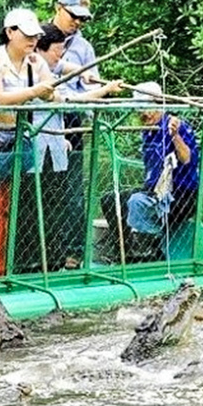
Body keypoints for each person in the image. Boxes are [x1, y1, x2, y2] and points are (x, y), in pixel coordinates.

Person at [0, 8, 56, 277]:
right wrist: (35, 91)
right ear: (10, 32)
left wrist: (49, 91)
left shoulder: (36, 62)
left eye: (35, 35)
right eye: (26, 35)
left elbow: (50, 91)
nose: (32, 40)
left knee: (10, 205)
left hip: (15, 141)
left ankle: (4, 267)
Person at [28, 23, 122, 270]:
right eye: (57, 51)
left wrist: (84, 73)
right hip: (34, 149)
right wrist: (105, 89)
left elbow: (65, 67)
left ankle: (54, 258)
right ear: (40, 49)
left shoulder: (47, 64)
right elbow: (71, 99)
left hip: (54, 144)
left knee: (57, 203)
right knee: (39, 205)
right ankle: (36, 261)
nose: (60, 56)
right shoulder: (34, 73)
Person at [100, 82, 199, 262]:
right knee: (109, 199)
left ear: (158, 104)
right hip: (154, 190)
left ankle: (148, 250)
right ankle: (127, 248)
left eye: (148, 108)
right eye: (140, 110)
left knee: (136, 201)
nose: (144, 114)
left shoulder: (176, 125)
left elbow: (187, 159)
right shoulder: (148, 129)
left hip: (181, 195)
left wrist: (175, 136)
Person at [50, 0, 97, 268]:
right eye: (73, 16)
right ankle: (43, 248)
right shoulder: (38, 37)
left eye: (83, 19)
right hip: (42, 116)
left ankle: (73, 252)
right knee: (43, 186)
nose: (77, 22)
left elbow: (91, 84)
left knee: (72, 190)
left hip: (71, 117)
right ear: (59, 8)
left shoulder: (84, 48)